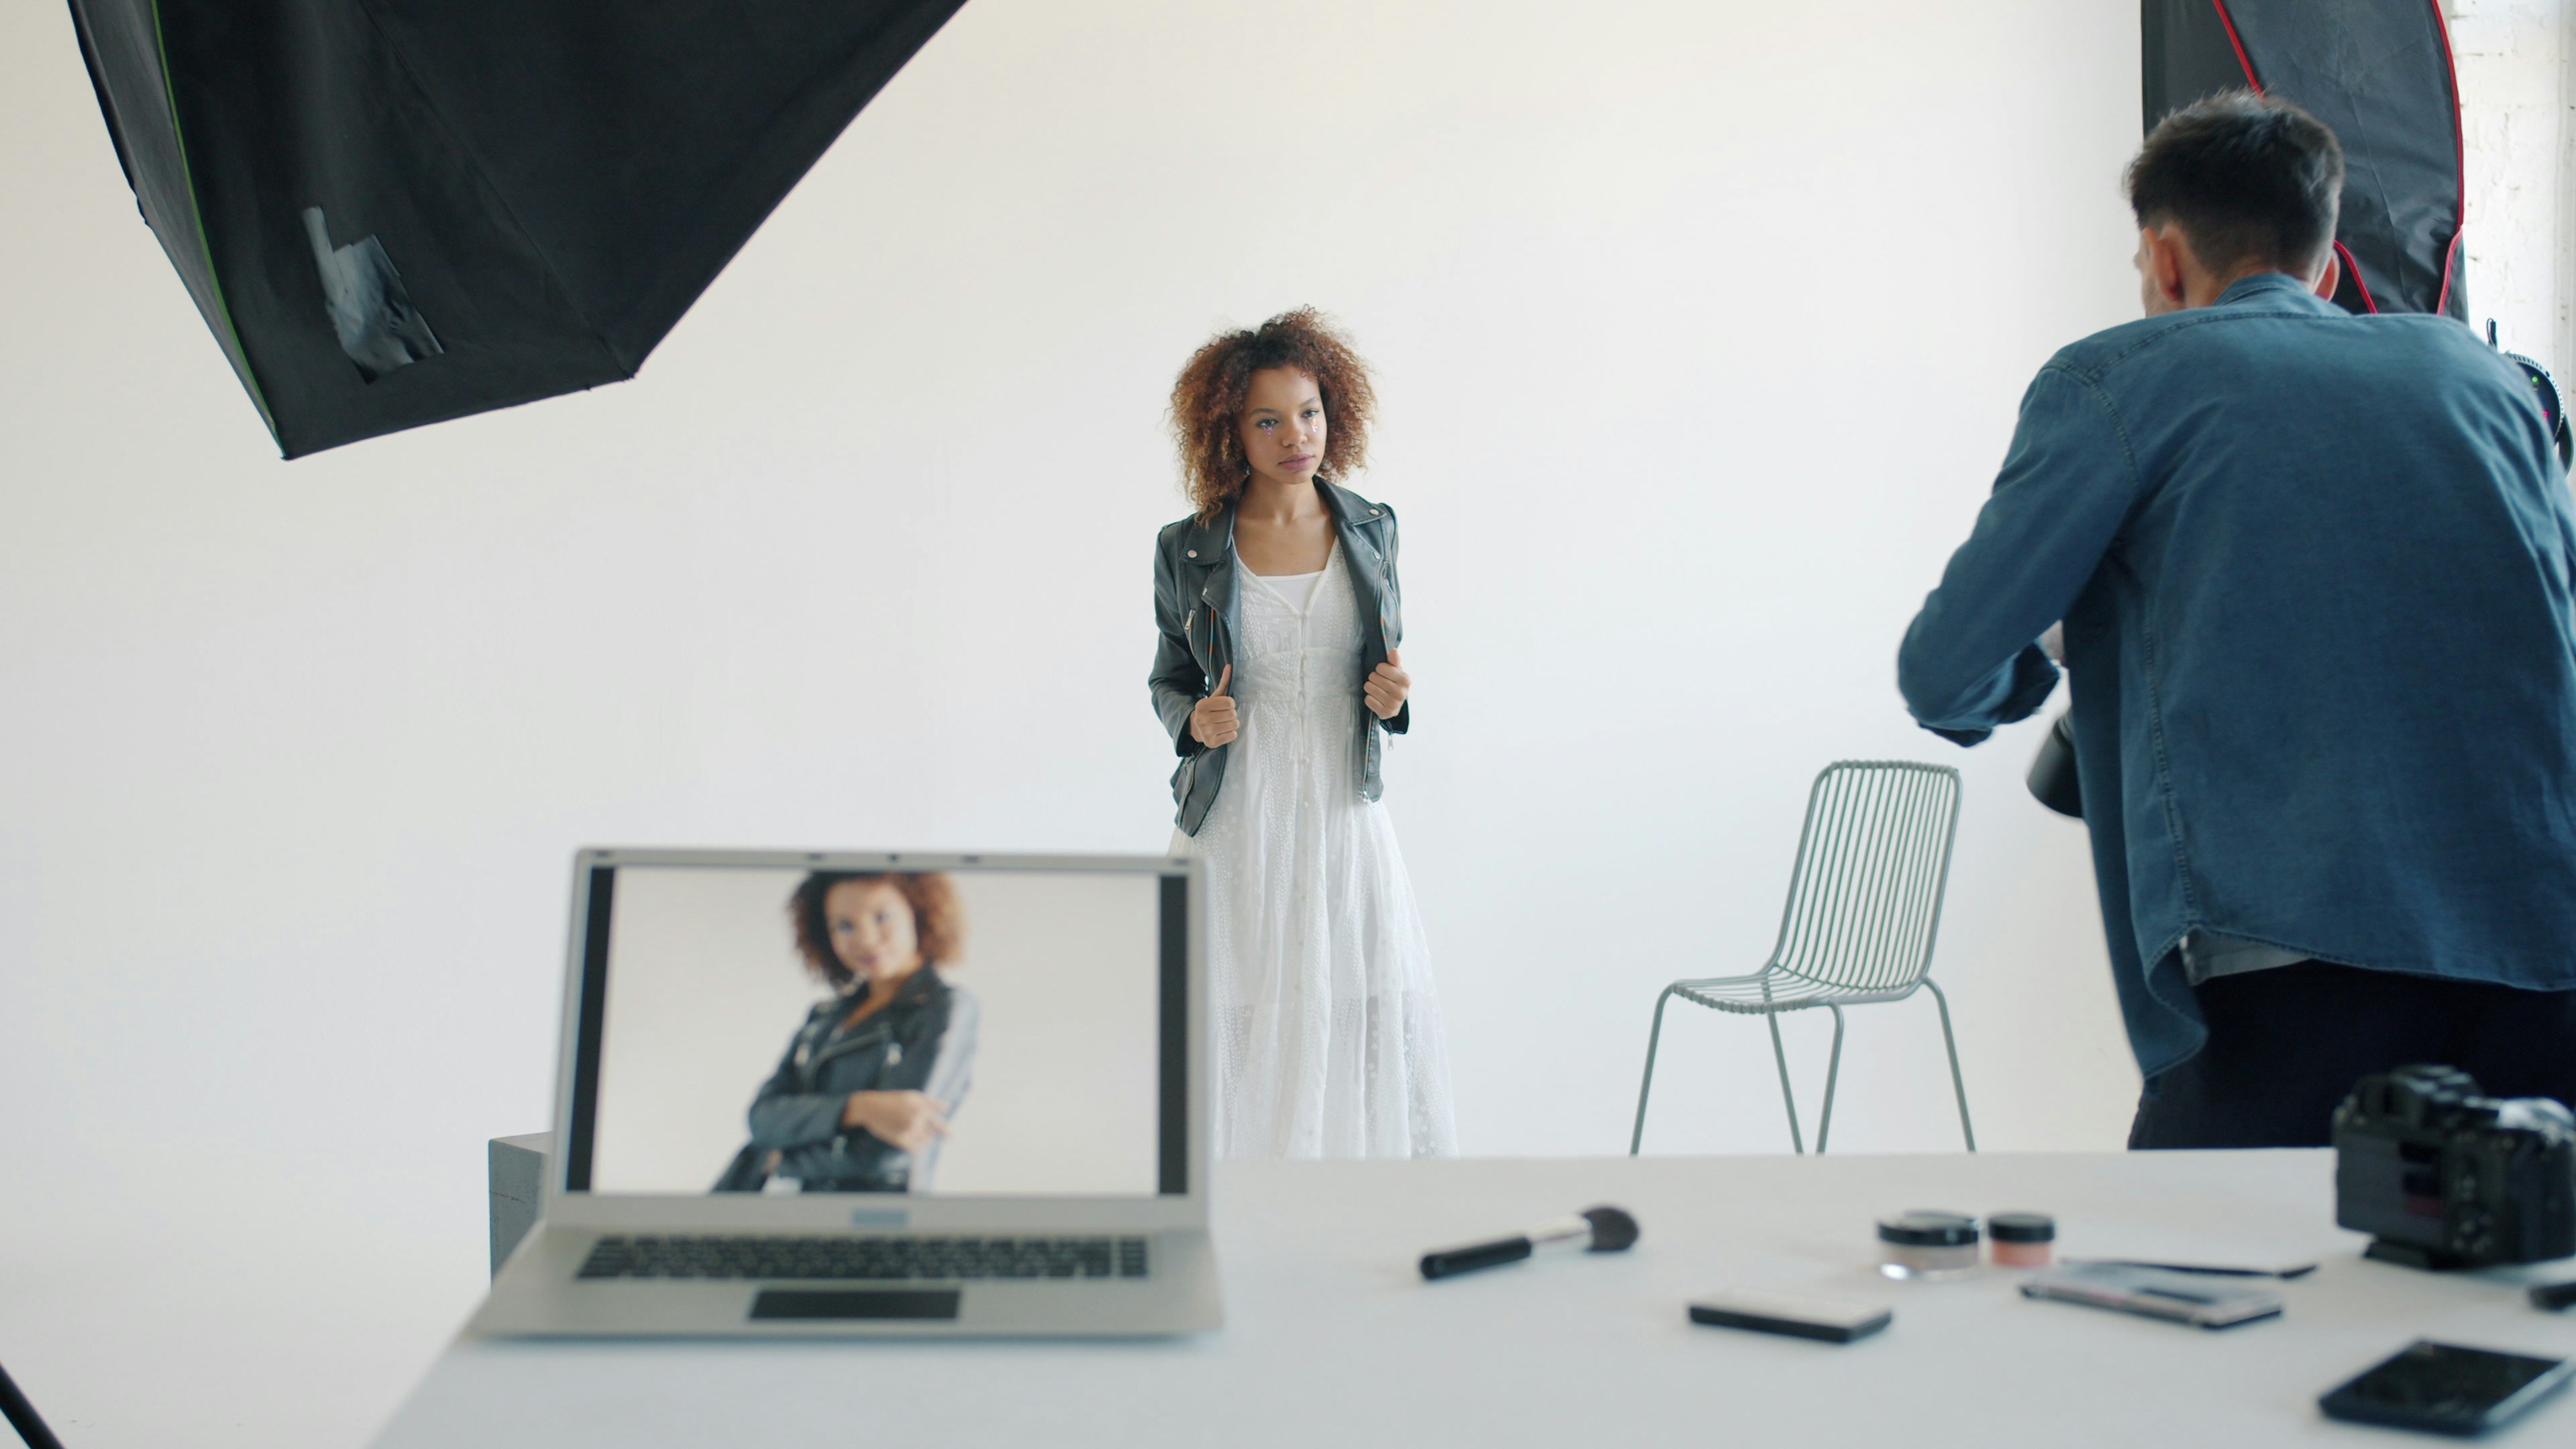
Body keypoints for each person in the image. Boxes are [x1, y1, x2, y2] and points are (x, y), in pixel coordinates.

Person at [1896, 92, 2576, 1149]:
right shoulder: (2493, 384)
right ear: (2330, 261)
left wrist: (2060, 638)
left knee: (2210, 1286)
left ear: (2167, 261)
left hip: (2286, 965)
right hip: (2542, 952)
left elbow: (1946, 673)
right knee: (2501, 1298)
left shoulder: (2122, 380)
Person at [1149, 307, 1456, 1159]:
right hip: (1237, 821)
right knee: (1234, 1030)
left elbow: (1383, 679)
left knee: (1363, 1015)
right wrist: (1194, 720)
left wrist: (1393, 701)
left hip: (1339, 815)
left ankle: (1356, 1218)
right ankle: (1240, 1221)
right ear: (1230, 432)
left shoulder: (1371, 530)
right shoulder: (1189, 549)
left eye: (1310, 411)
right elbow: (1168, 679)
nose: (1297, 435)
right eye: (1268, 419)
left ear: (1335, 411)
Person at [714, 871, 979, 1191]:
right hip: (791, 1213)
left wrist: (781, 1161)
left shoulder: (944, 1008)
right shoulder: (824, 1017)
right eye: (844, 926)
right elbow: (762, 1119)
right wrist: (861, 1108)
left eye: (882, 917)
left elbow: (891, 1150)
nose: (865, 939)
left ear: (919, 913)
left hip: (879, 1223)